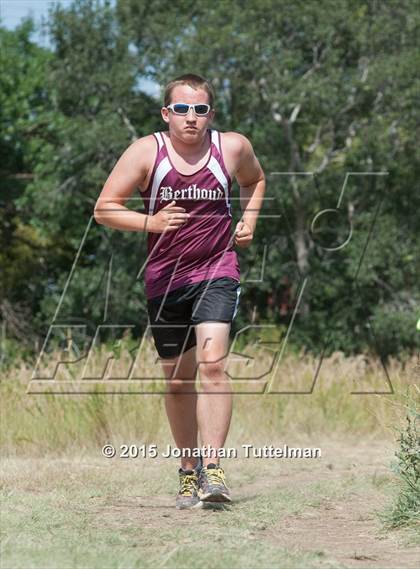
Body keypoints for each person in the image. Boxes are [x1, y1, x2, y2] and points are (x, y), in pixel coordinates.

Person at [94, 73, 265, 509]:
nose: (192, 117)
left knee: (212, 367)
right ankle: (188, 471)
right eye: (183, 109)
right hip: (166, 280)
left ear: (211, 113)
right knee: (176, 382)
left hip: (217, 270)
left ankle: (214, 469)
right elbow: (104, 208)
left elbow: (255, 180)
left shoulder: (232, 148)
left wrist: (248, 221)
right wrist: (149, 222)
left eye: (201, 109)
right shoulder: (145, 152)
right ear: (166, 113)